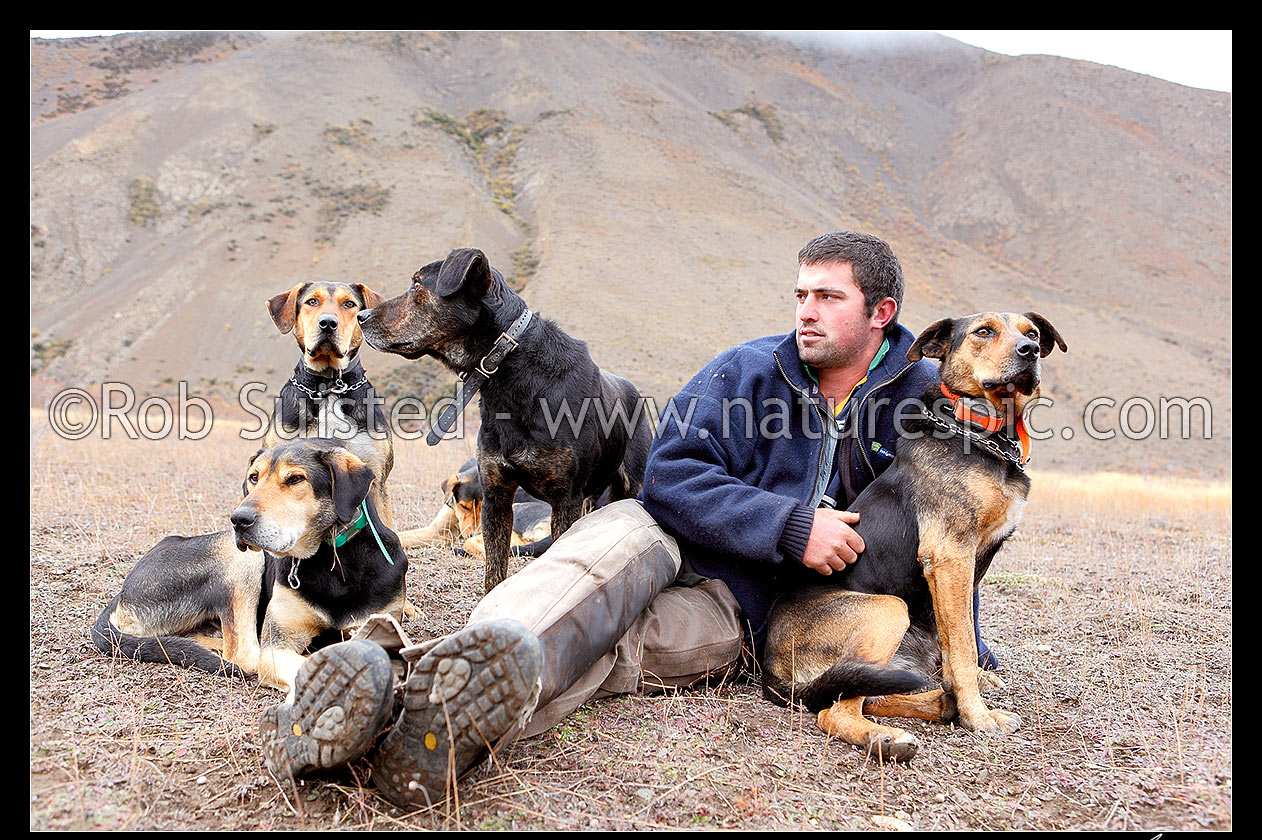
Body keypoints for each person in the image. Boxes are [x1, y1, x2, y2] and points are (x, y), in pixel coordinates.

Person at [260, 230, 999, 809]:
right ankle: (406, 681)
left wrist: (963, 637)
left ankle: (416, 723)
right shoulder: (745, 372)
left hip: (748, 612)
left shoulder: (930, 397)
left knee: (610, 651)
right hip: (660, 536)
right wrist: (789, 525)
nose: (805, 309)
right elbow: (670, 475)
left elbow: (951, 521)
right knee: (582, 577)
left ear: (882, 314)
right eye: (801, 293)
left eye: (828, 297)